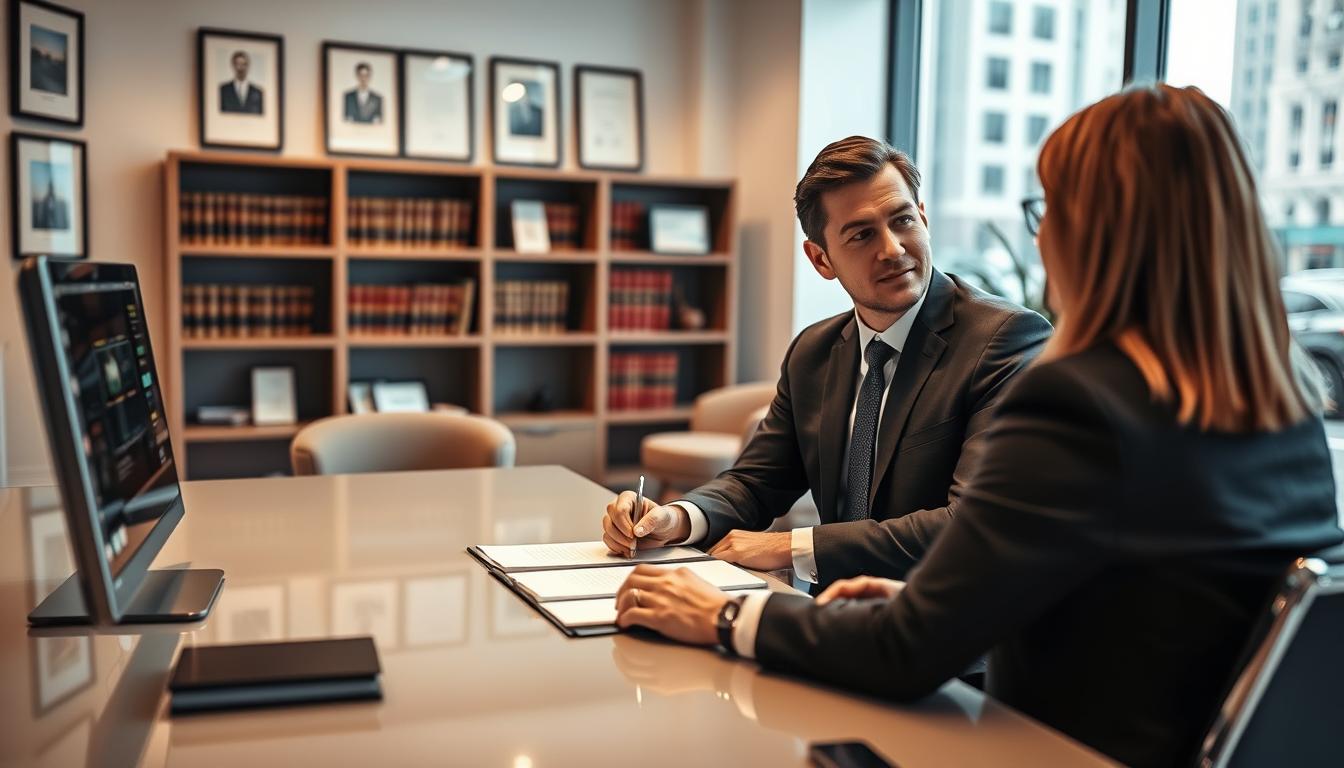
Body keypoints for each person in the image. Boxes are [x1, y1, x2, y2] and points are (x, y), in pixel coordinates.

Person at [612, 85, 1344, 768]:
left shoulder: (1076, 395)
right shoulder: (1283, 405)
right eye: (861, 234)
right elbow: (1151, 606)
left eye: (1051, 208)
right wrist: (931, 603)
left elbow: (908, 654)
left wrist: (724, 615)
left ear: (1101, 234)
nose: (1041, 233)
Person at [600, 136, 1052, 588]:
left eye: (903, 220)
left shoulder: (1005, 340)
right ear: (821, 259)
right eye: (861, 234)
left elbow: (972, 523)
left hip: (947, 632)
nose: (893, 248)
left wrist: (794, 546)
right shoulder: (813, 352)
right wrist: (675, 518)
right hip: (833, 618)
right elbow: (756, 481)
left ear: (924, 218)